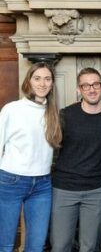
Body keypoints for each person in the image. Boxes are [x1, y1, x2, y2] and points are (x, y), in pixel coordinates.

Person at [50, 68, 101, 252]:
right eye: (86, 85)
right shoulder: (65, 115)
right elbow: (51, 150)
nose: (91, 89)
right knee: (60, 245)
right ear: (79, 89)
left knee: (89, 246)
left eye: (95, 84)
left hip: (97, 191)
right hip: (64, 190)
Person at [0, 62, 62, 252]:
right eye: (37, 78)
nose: (42, 83)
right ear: (29, 81)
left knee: (36, 246)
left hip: (43, 185)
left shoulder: (53, 113)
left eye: (47, 79)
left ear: (52, 84)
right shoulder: (12, 110)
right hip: (11, 181)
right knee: (6, 244)